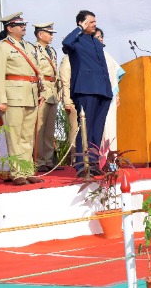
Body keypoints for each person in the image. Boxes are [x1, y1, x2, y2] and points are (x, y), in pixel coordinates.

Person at [0, 12, 44, 184]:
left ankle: (27, 169)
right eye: (19, 25)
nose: (23, 27)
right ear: (9, 28)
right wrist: (1, 100)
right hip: (13, 96)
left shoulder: (29, 47)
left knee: (27, 136)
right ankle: (17, 172)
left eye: (24, 24)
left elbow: (36, 71)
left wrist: (40, 92)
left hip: (30, 95)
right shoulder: (2, 47)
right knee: (14, 136)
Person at [62, 10, 112, 176]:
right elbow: (66, 43)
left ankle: (94, 162)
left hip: (102, 90)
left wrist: (108, 90)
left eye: (94, 22)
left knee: (97, 128)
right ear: (82, 23)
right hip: (86, 89)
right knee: (86, 126)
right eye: (90, 22)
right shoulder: (76, 39)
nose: (94, 25)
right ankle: (82, 164)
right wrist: (78, 29)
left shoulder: (96, 42)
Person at [32, 23, 63, 172]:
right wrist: (40, 92)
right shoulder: (34, 50)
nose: (52, 36)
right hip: (43, 91)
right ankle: (38, 161)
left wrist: (58, 91)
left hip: (52, 91)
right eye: (49, 33)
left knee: (50, 129)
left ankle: (49, 160)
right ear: (40, 34)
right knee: (39, 129)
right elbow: (36, 72)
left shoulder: (51, 50)